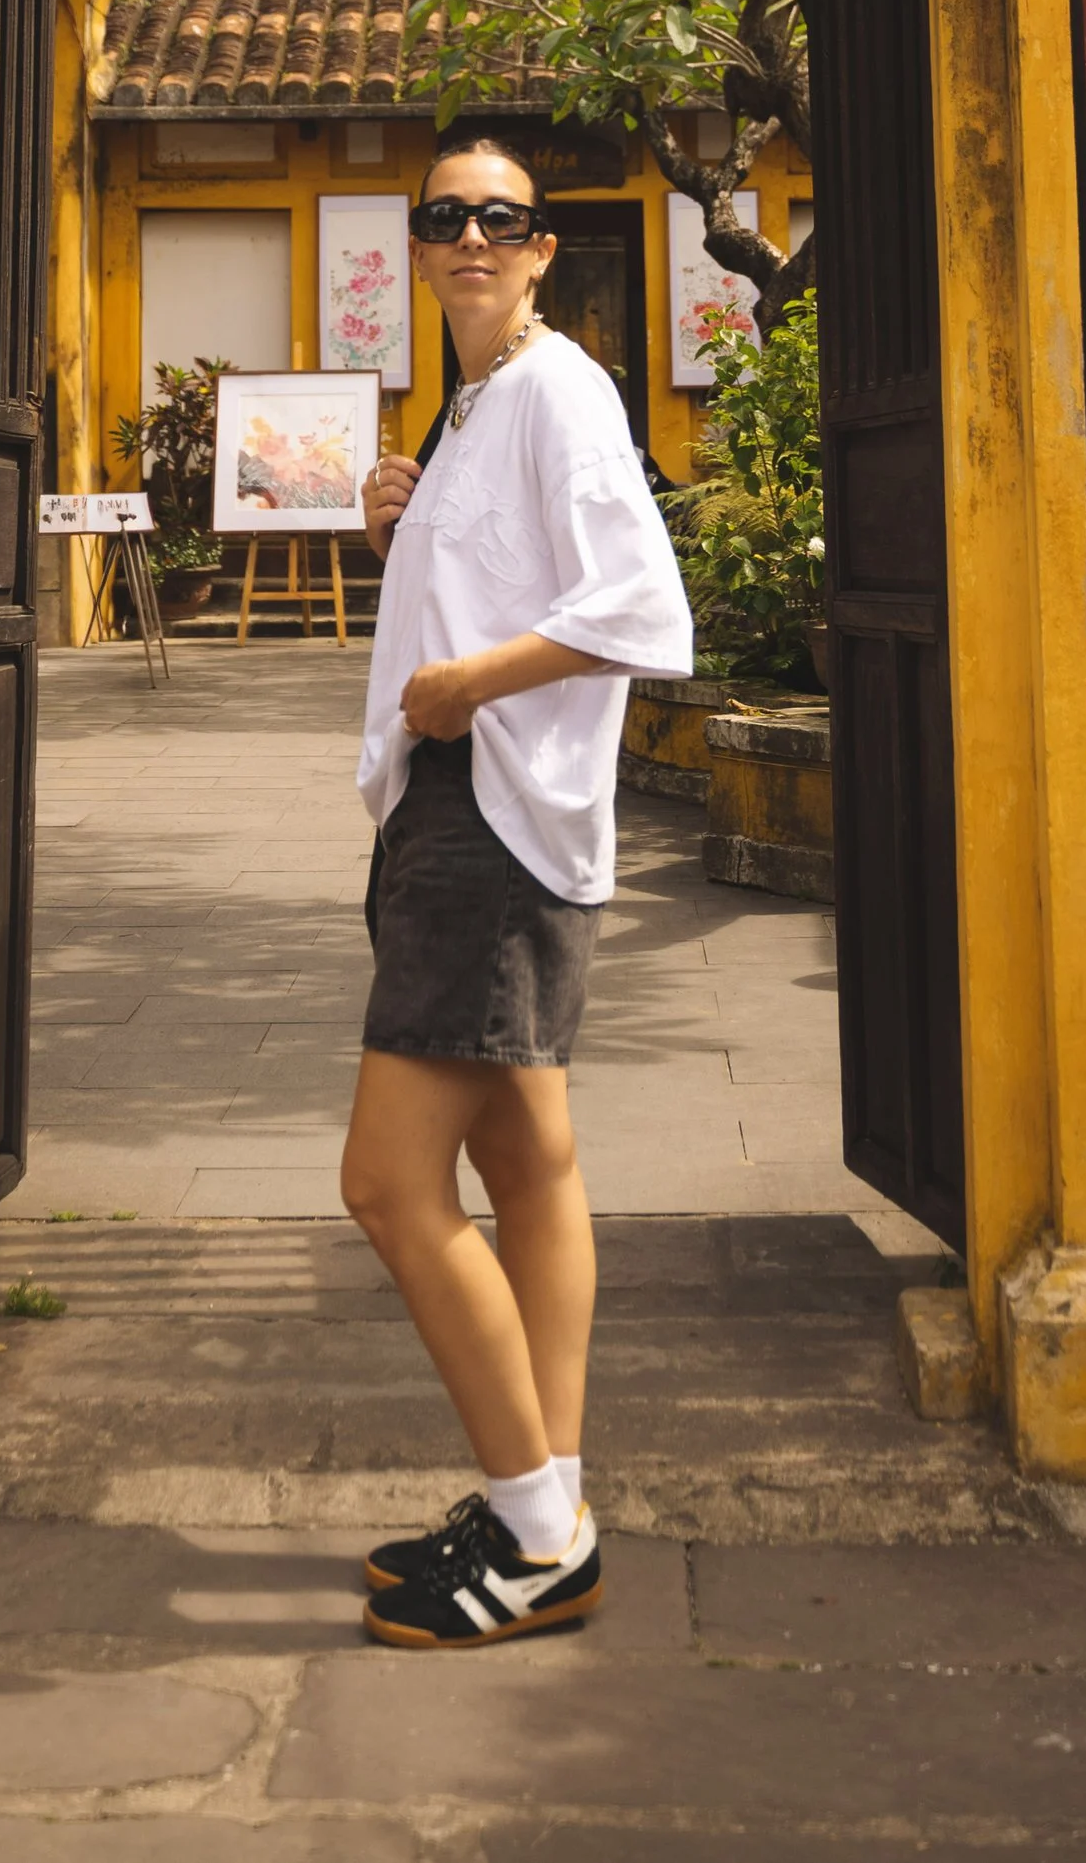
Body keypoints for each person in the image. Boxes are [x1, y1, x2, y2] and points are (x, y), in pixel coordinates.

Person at [341, 136, 693, 1649]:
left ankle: (541, 1537)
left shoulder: (555, 387)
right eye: (446, 218)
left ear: (544, 246)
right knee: (532, 1163)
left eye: (502, 218)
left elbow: (635, 606)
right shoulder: (481, 402)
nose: (471, 237)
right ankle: (548, 1493)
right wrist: (396, 526)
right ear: (420, 247)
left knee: (389, 1186)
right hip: (472, 807)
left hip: (485, 821)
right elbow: (505, 577)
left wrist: (466, 682)